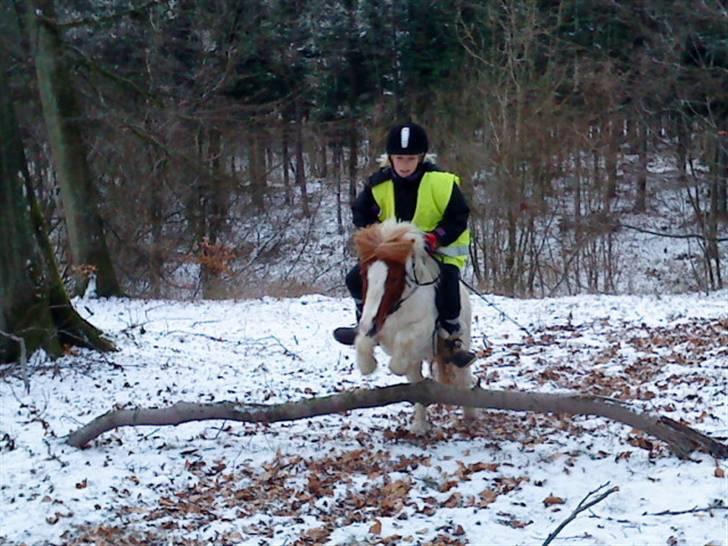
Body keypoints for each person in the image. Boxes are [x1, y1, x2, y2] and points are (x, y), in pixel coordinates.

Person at [333, 122, 476, 368]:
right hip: (393, 252)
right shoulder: (378, 184)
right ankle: (364, 325)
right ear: (390, 158)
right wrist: (378, 236)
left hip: (437, 250)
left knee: (450, 283)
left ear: (421, 158)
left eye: (411, 158)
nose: (405, 164)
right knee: (355, 278)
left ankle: (451, 337)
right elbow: (360, 213)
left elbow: (458, 217)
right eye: (399, 158)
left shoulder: (442, 183)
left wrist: (435, 237)